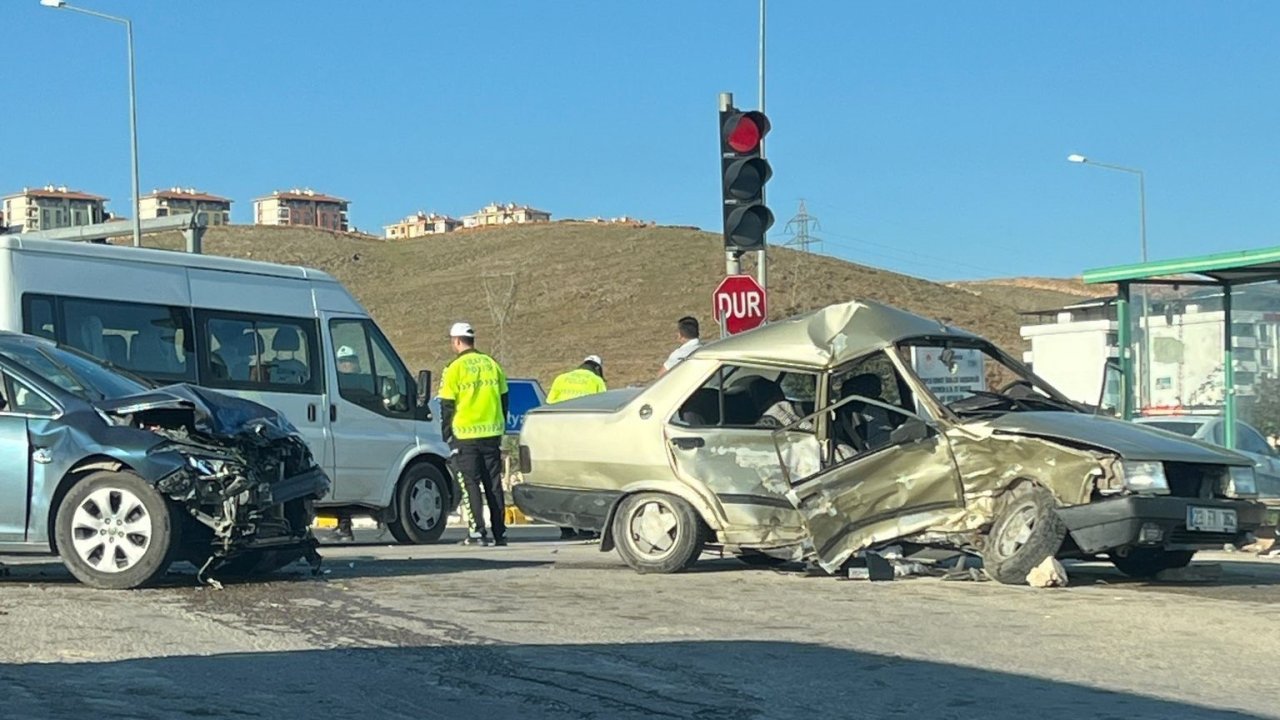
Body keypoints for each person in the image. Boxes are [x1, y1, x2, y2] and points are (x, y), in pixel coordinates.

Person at [438, 321, 509, 547]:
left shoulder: (454, 368)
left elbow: (447, 404)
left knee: (470, 484)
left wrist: (447, 435)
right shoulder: (492, 364)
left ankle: (477, 532)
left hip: (465, 435)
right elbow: (504, 398)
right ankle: (500, 533)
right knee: (493, 485)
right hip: (492, 433)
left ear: (457, 341)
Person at [546, 355, 608, 540]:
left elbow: (549, 406)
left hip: (559, 439)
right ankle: (586, 528)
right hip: (583, 441)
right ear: (597, 369)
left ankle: (565, 529)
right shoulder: (596, 381)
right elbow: (603, 411)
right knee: (585, 485)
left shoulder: (561, 378)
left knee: (561, 485)